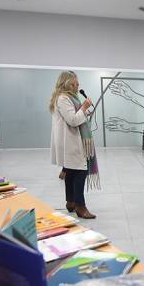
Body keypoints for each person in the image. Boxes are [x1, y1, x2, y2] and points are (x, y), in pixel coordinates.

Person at [49, 71, 97, 219]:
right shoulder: (63, 98)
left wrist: (84, 111)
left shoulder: (69, 98)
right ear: (67, 83)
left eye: (78, 84)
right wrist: (83, 108)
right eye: (75, 83)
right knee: (80, 171)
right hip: (69, 141)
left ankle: (70, 202)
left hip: (69, 140)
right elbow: (73, 120)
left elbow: (75, 117)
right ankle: (80, 206)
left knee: (70, 171)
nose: (77, 86)